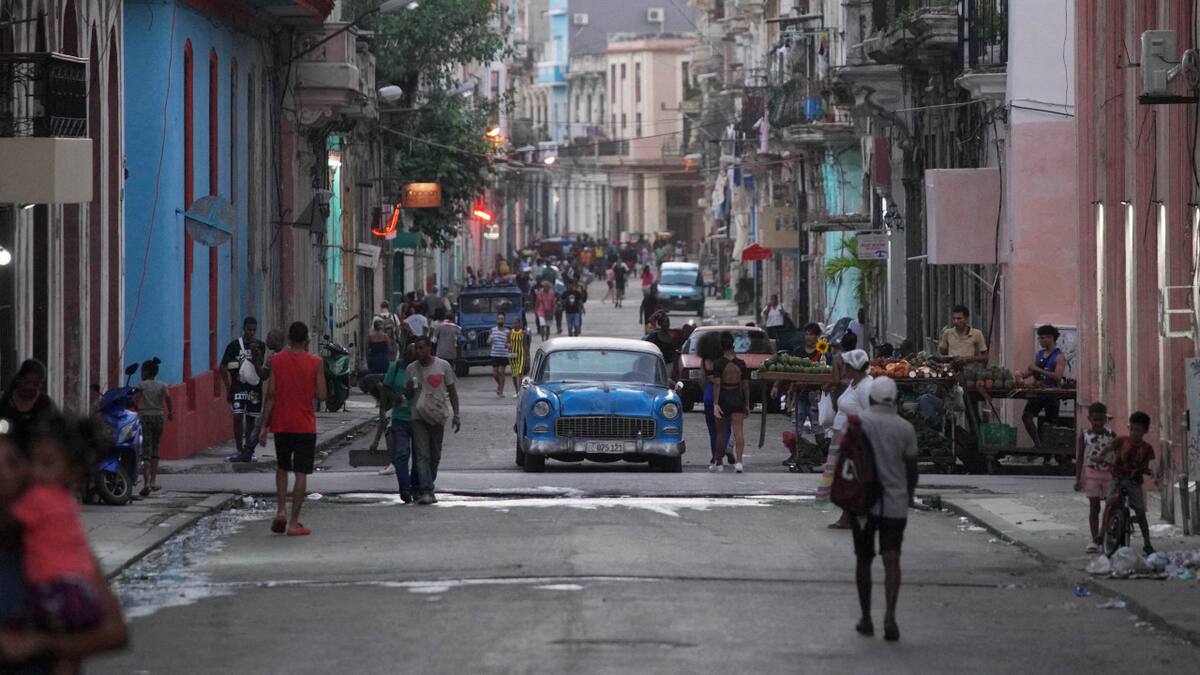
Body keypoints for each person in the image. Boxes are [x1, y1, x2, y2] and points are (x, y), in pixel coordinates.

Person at [0, 433, 129, 673]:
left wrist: (41, 644)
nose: (5, 474)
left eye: (13, 463)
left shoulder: (56, 543)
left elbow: (114, 632)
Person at [850, 377, 919, 642]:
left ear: (871, 399)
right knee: (892, 560)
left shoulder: (859, 424)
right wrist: (908, 497)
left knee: (864, 560)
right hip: (894, 502)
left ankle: (866, 617)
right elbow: (912, 470)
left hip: (863, 504)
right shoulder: (905, 428)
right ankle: (890, 614)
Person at [258, 322, 327, 537]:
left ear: (289, 338)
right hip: (305, 425)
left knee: (282, 467)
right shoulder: (316, 362)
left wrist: (263, 427)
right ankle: (294, 523)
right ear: (306, 339)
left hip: (282, 423)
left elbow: (270, 395)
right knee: (301, 473)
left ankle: (280, 511)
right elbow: (323, 395)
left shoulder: (276, 361)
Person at [405, 337, 461, 506]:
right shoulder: (411, 369)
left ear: (429, 347)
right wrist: (407, 389)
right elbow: (407, 396)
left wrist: (456, 414)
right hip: (418, 416)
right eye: (417, 348)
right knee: (422, 454)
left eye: (422, 348)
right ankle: (427, 491)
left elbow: (452, 391)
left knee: (435, 455)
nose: (419, 351)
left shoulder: (443, 366)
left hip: (437, 415)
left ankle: (428, 482)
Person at [829, 349, 873, 529]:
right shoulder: (854, 383)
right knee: (845, 480)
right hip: (845, 437)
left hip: (857, 440)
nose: (843, 368)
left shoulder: (866, 387)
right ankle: (850, 515)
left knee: (850, 480)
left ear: (854, 368)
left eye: (846, 365)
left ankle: (849, 517)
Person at [775, 323, 828, 467]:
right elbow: (788, 371)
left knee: (818, 429)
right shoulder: (798, 352)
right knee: (796, 428)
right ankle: (796, 454)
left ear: (817, 336)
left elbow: (828, 374)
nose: (808, 337)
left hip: (816, 397)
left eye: (811, 334)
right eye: (806, 334)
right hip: (800, 396)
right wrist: (776, 385)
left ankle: (823, 454)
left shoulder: (822, 353)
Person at [1109, 411, 1158, 555]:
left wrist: (1146, 471)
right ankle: (1102, 533)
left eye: (1138, 430)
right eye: (1132, 429)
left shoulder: (1147, 449)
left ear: (1145, 431)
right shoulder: (1122, 440)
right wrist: (1100, 456)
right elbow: (1108, 448)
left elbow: (1146, 465)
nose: (1134, 433)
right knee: (1110, 503)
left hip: (1134, 482)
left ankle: (1147, 543)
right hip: (1117, 477)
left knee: (1141, 512)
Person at [219, 317, 266, 463]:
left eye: (254, 330)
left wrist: (254, 354)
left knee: (251, 418)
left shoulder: (260, 345)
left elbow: (260, 367)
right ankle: (239, 448)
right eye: (249, 329)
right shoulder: (234, 345)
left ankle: (248, 449)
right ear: (244, 329)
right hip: (238, 386)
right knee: (238, 417)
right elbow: (223, 366)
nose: (251, 333)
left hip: (254, 387)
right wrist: (228, 387)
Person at [1076, 402, 1117, 554]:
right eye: (1095, 420)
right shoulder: (1085, 435)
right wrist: (1078, 479)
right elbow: (1080, 458)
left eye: (1101, 420)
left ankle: (1106, 535)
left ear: (1105, 420)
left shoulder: (1112, 435)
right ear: (1089, 419)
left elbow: (1117, 456)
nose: (1098, 423)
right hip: (1091, 474)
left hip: (1108, 474)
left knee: (1110, 507)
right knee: (1094, 507)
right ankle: (1095, 539)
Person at [1018, 324, 1066, 447]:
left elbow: (1057, 376)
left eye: (1043, 338)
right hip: (1038, 392)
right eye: (1039, 338)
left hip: (1052, 394)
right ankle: (1038, 444)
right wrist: (1020, 375)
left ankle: (1049, 453)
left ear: (1051, 338)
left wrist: (1038, 370)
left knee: (1050, 424)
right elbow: (1031, 370)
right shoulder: (1040, 354)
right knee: (1027, 417)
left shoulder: (1059, 356)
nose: (1040, 341)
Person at [134, 358, 173, 497]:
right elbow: (168, 398)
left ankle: (145, 484)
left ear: (145, 372)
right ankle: (153, 481)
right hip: (159, 417)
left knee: (146, 450)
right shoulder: (162, 386)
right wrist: (171, 412)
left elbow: (135, 401)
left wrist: (136, 409)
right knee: (156, 448)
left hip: (146, 418)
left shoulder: (141, 385)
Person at [713, 331, 750, 473]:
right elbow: (745, 385)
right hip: (737, 398)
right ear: (733, 345)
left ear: (721, 347)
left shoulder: (718, 364)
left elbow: (717, 384)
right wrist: (747, 403)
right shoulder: (741, 364)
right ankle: (739, 462)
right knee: (738, 431)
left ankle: (719, 463)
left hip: (723, 398)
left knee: (721, 433)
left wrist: (715, 403)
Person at [0, 359, 57, 451]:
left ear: (41, 385)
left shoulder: (46, 405)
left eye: (35, 384)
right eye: (26, 382)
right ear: (19, 380)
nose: (29, 387)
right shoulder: (4, 400)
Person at [382, 352, 417, 502]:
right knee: (402, 454)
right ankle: (405, 488)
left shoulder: (421, 368)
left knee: (420, 456)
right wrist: (395, 397)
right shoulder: (396, 367)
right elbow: (385, 387)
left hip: (419, 418)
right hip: (400, 418)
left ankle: (417, 487)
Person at [644, 313, 680, 382]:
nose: (666, 324)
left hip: (668, 364)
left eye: (667, 322)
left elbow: (674, 351)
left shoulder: (673, 335)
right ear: (660, 324)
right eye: (664, 322)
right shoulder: (653, 336)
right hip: (655, 363)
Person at [507, 317, 531, 397]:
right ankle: (517, 391)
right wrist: (508, 345)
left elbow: (525, 345)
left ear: (520, 324)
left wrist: (527, 356)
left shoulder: (523, 333)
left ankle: (520, 392)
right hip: (512, 355)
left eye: (516, 323)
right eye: (513, 323)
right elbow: (506, 343)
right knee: (514, 374)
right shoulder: (510, 333)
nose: (515, 325)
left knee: (520, 372)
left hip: (521, 354)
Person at [489, 312, 510, 397]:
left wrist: (508, 345)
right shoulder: (493, 330)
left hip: (503, 354)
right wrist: (490, 339)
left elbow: (510, 343)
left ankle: (501, 391)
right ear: (497, 320)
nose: (500, 320)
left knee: (501, 372)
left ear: (504, 320)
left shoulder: (508, 331)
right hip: (494, 354)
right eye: (499, 319)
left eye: (502, 319)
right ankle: (499, 385)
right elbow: (488, 341)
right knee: (495, 374)